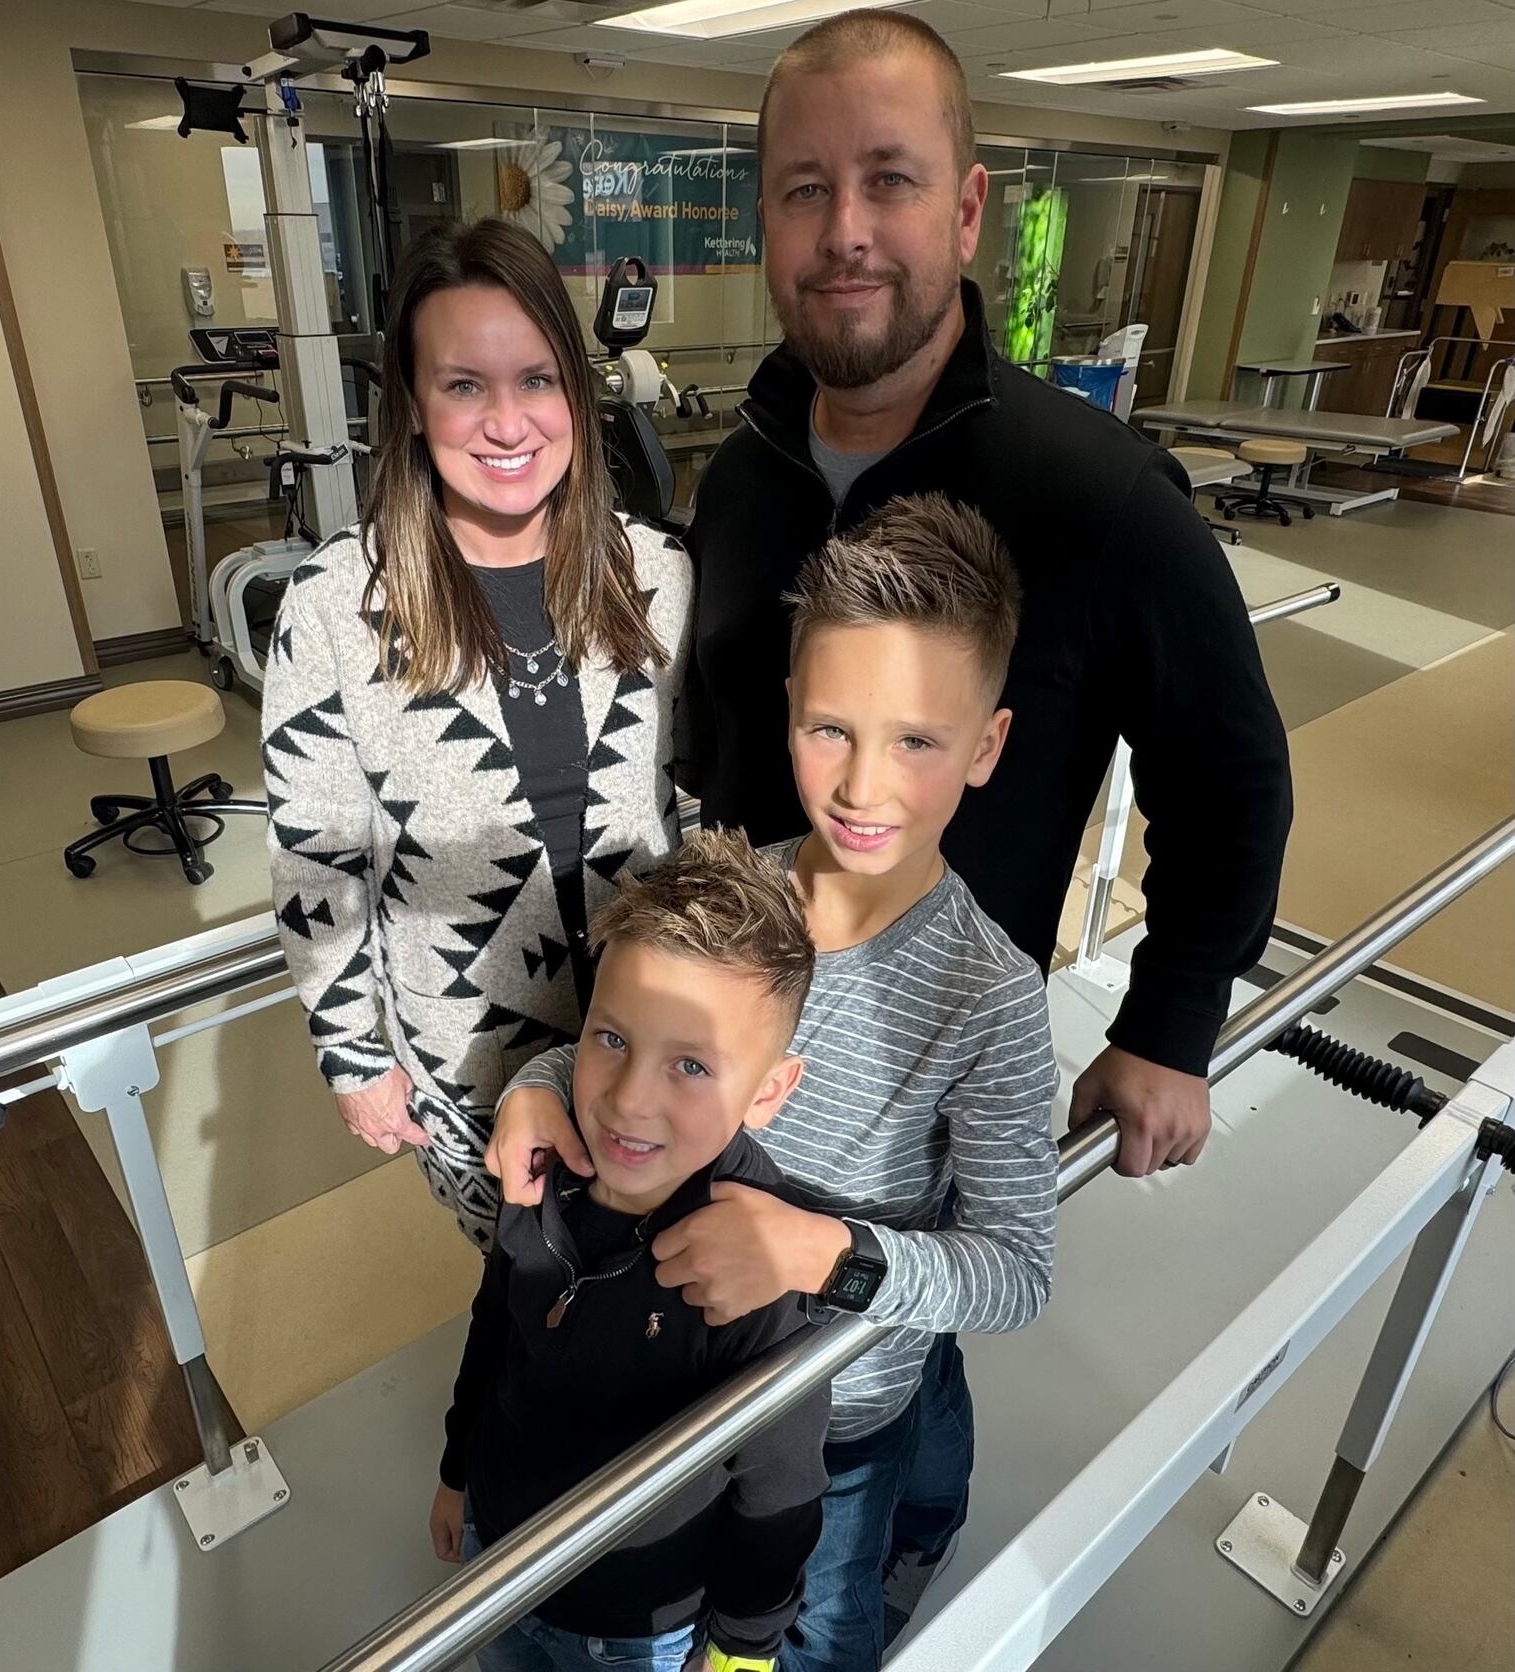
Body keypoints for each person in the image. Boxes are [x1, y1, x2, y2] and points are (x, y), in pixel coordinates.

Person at [688, 9, 1292, 1182]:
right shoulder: (740, 473)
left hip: (928, 1091)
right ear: (764, 219)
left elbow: (1229, 776)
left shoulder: (1096, 495)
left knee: (882, 1360)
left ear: (965, 213)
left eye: (888, 182)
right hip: (721, 1044)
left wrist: (1170, 1023)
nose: (845, 233)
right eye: (804, 190)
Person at [491, 496, 1058, 1672]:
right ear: (789, 710)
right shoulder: (716, 889)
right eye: (831, 729)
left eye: (917, 740)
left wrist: (823, 1256)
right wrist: (536, 1085)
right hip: (669, 1382)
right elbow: (615, 1045)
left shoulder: (989, 994)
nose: (862, 786)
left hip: (837, 1419)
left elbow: (1013, 1272)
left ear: (987, 746)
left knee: (819, 1628)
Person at [262, 218, 691, 1249]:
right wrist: (353, 1055)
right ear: (413, 405)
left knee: (672, 1298)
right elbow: (313, 850)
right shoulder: (333, 604)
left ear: (577, 395)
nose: (507, 422)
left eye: (536, 380)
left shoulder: (654, 574)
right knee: (531, 1306)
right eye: (463, 385)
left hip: (659, 1044)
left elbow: (692, 803)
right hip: (471, 1059)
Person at [432, 829, 829, 1672]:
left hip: (634, 1624)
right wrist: (457, 1469)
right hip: (497, 1559)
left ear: (767, 1092)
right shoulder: (545, 1163)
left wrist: (741, 1650)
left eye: (690, 1064)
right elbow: (493, 1323)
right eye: (612, 1040)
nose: (628, 1101)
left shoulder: (755, 1269)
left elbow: (780, 1488)